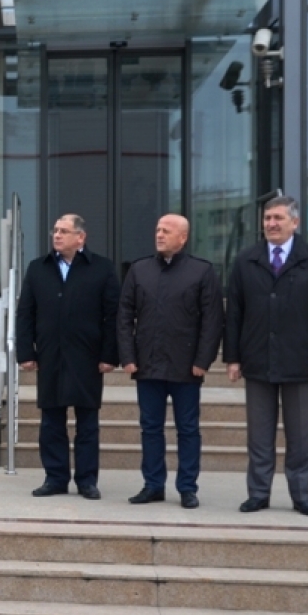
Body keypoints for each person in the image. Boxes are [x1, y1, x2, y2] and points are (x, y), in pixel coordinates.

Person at [224, 196, 308, 517]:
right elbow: (234, 312)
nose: (271, 224)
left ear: (295, 222)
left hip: (301, 363)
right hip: (257, 360)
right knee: (259, 435)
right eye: (267, 218)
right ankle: (258, 494)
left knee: (300, 436)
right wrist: (232, 357)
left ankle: (301, 495)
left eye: (277, 218)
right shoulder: (246, 260)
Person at [117, 214, 222, 509]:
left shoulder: (201, 272)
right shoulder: (139, 270)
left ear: (183, 238)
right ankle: (153, 485)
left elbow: (213, 321)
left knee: (187, 428)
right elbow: (124, 317)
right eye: (157, 229)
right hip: (147, 364)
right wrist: (127, 356)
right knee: (150, 428)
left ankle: (187, 487)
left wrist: (204, 359)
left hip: (186, 366)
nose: (160, 234)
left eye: (167, 230)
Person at [16, 214, 119, 500]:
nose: (57, 236)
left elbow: (113, 315)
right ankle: (55, 478)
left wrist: (110, 354)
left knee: (87, 423)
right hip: (50, 356)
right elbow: (25, 313)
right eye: (55, 231)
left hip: (88, 357)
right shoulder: (39, 268)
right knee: (51, 422)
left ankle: (86, 480)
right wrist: (26, 352)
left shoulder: (101, 268)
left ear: (80, 237)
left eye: (64, 231)